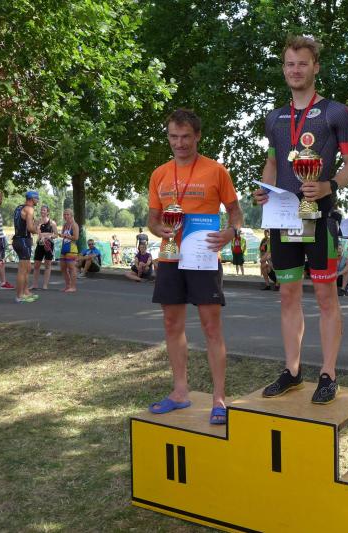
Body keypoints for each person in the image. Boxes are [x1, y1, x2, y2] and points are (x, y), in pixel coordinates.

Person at [253, 35, 348, 404]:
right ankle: (293, 371)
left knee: (326, 296)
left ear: (315, 67)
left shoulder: (337, 113)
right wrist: (264, 191)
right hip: (284, 218)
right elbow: (272, 162)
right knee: (287, 295)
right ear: (283, 68)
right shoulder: (274, 118)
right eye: (290, 64)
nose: (295, 70)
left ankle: (328, 374)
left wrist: (329, 184)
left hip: (321, 216)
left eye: (302, 63)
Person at [146, 108, 243, 426]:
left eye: (186, 136)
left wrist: (231, 232)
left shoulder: (216, 171)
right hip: (170, 257)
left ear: (198, 136)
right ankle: (179, 392)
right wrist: (158, 229)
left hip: (203, 257)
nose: (180, 143)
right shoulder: (159, 174)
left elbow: (235, 211)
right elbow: (152, 219)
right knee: (171, 324)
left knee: (211, 327)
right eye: (173, 137)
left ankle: (219, 399)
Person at [12, 191, 40, 303]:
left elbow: (22, 224)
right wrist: (37, 230)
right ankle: (19, 296)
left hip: (18, 240)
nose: (38, 200)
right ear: (32, 199)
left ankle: (25, 292)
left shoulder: (19, 208)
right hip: (23, 240)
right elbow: (29, 228)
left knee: (28, 268)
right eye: (37, 198)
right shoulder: (30, 209)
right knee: (22, 270)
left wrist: (35, 223)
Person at [31, 205, 57, 290]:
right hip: (40, 244)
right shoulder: (37, 221)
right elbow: (33, 231)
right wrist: (37, 229)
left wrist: (49, 236)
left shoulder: (52, 223)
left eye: (44, 210)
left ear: (48, 212)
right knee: (36, 265)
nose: (42, 211)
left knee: (47, 265)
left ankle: (45, 285)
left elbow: (56, 235)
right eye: (41, 210)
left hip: (48, 245)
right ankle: (35, 284)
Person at [57, 209, 79, 293]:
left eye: (67, 214)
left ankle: (73, 287)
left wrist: (65, 236)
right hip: (64, 248)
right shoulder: (65, 225)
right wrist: (60, 235)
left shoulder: (74, 225)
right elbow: (63, 236)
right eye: (64, 214)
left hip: (72, 249)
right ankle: (67, 286)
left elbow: (76, 237)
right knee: (63, 268)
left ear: (71, 215)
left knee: (71, 268)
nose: (65, 216)